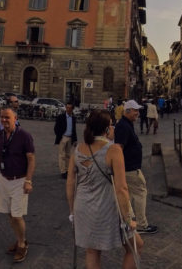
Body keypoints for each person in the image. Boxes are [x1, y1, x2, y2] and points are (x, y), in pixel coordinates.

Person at [66, 109, 143, 269]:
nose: (114, 129)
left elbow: (70, 184)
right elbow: (121, 188)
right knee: (136, 246)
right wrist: (128, 218)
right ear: (107, 129)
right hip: (105, 207)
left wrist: (72, 211)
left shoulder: (77, 149)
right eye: (112, 125)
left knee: (92, 251)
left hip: (82, 207)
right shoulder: (113, 150)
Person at [0, 106, 35, 263]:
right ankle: (19, 238)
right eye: (2, 117)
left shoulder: (24, 136)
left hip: (20, 181)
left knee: (17, 215)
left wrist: (28, 180)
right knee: (9, 214)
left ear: (15, 118)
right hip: (4, 179)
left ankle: (22, 244)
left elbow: (31, 159)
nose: (4, 120)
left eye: (7, 117)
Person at [115, 100, 158, 234]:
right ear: (127, 111)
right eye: (135, 110)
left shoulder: (126, 124)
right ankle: (140, 224)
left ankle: (130, 221)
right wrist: (119, 169)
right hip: (130, 168)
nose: (138, 113)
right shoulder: (123, 126)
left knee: (130, 195)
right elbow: (119, 149)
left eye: (138, 110)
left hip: (129, 168)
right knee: (140, 193)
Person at [54, 102, 77, 179]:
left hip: (70, 138)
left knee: (68, 155)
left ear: (72, 109)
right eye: (67, 107)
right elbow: (56, 128)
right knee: (62, 155)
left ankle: (67, 170)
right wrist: (59, 135)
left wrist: (75, 139)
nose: (68, 109)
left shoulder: (73, 118)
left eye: (70, 108)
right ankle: (63, 171)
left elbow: (74, 130)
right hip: (63, 137)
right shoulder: (61, 117)